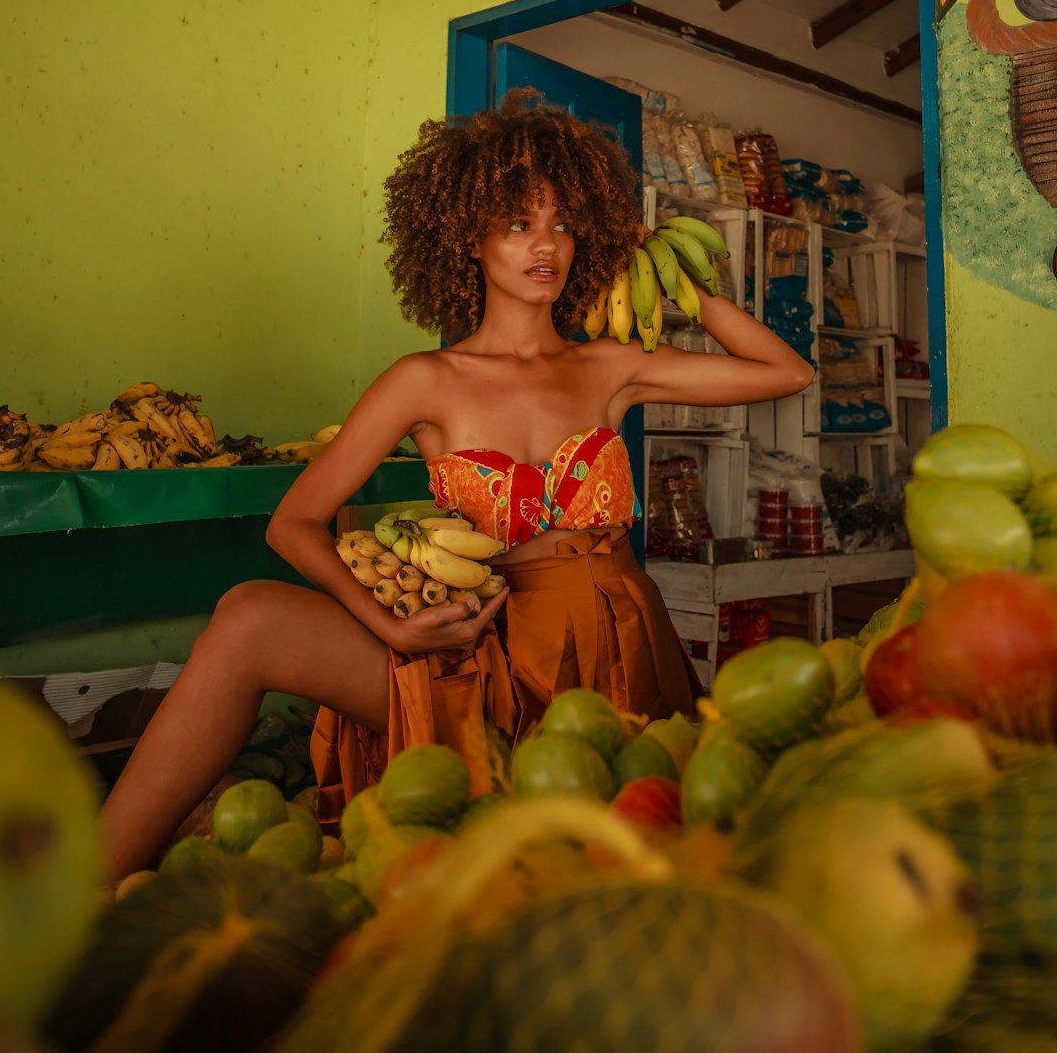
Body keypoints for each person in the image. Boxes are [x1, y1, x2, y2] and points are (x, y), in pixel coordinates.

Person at [102, 92, 813, 879]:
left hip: (615, 648)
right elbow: (294, 523)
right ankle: (90, 886)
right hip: (476, 653)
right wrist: (395, 626)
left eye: (563, 224)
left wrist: (666, 268)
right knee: (246, 618)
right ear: (467, 238)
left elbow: (784, 372)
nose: (546, 245)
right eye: (517, 223)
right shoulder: (424, 382)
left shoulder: (610, 366)